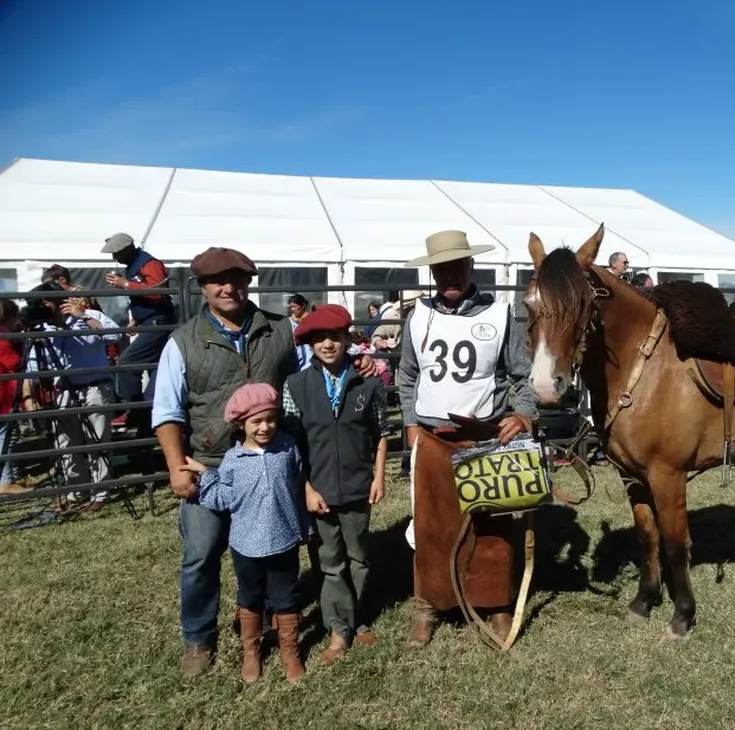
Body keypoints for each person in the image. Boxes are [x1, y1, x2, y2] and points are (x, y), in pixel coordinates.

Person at [153, 246, 378, 678]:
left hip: (277, 460)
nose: (228, 288)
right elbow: (168, 409)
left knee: (291, 544)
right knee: (201, 552)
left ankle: (306, 616)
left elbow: (316, 369)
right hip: (211, 461)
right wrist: (176, 465)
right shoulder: (182, 342)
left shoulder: (281, 329)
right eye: (217, 281)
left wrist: (357, 364)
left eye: (236, 279)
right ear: (202, 288)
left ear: (249, 283)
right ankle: (199, 637)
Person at [396, 229, 536, 646]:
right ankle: (429, 604)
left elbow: (522, 376)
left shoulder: (499, 314)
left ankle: (495, 603)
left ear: (471, 265)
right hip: (432, 437)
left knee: (492, 525)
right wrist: (411, 427)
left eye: (457, 266)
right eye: (441, 269)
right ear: (432, 272)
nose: (449, 275)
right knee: (431, 526)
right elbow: (407, 376)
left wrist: (523, 414)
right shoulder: (418, 316)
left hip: (483, 438)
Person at [281, 304, 390, 664]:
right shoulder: (296, 386)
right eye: (319, 339)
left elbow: (381, 433)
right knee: (331, 562)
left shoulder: (369, 383)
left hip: (359, 484)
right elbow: (293, 446)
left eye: (335, 337)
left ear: (347, 339)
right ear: (310, 344)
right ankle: (338, 629)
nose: (328, 344)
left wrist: (379, 476)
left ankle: (358, 616)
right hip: (321, 489)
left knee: (359, 557)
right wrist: (306, 488)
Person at [180, 383, 308, 683]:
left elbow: (298, 482)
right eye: (256, 422)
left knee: (286, 596)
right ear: (241, 424)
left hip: (284, 540)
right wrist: (205, 475)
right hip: (246, 544)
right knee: (250, 596)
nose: (265, 427)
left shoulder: (288, 449)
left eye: (270, 419)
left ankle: (290, 651)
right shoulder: (233, 461)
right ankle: (251, 651)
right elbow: (224, 497)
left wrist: (304, 523)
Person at [21, 283, 119, 508]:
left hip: (95, 388)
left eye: (45, 302)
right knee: (66, 444)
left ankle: (100, 494)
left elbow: (114, 335)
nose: (42, 307)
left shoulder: (90, 315)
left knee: (97, 442)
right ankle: (76, 491)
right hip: (63, 390)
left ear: (58, 300)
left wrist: (83, 317)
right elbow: (32, 367)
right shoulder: (43, 329)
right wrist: (29, 395)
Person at [101, 233, 176, 421]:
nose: (114, 257)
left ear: (127, 249)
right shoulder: (137, 264)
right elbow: (148, 297)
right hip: (152, 322)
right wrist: (136, 319)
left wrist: (126, 284)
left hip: (158, 323)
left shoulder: (149, 264)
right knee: (157, 369)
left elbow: (159, 292)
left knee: (127, 363)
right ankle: (150, 413)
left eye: (117, 253)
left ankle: (137, 409)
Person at [0, 299, 22, 486]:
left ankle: (12, 475)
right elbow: (13, 362)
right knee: (5, 436)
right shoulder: (3, 337)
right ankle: (6, 480)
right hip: (3, 393)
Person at [287, 294, 313, 370]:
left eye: (294, 306)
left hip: (310, 357)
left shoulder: (312, 319)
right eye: (291, 307)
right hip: (295, 357)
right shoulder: (289, 322)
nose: (292, 309)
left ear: (303, 306)